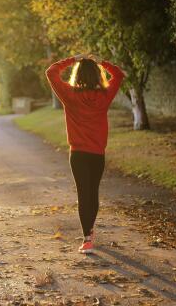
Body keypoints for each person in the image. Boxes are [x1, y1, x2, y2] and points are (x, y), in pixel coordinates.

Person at [45, 53, 125, 254]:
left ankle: (87, 238)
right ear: (98, 75)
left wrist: (73, 59)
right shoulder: (105, 96)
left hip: (78, 154)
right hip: (97, 154)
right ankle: (89, 231)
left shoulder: (69, 95)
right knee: (93, 192)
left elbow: (51, 72)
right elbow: (119, 74)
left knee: (84, 194)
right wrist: (102, 62)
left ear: (77, 75)